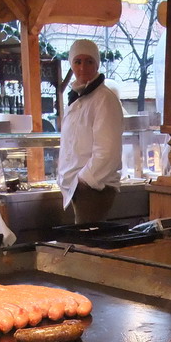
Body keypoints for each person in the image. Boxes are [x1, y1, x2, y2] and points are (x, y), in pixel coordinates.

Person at [57, 39, 124, 223]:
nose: (82, 67)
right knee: (82, 248)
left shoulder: (104, 98)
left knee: (88, 249)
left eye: (89, 61)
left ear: (97, 65)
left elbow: (107, 150)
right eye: (78, 61)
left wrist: (84, 180)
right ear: (71, 65)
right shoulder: (78, 98)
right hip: (77, 188)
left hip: (95, 189)